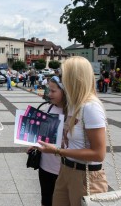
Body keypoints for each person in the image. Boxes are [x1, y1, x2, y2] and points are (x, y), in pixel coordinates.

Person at [38, 56, 108, 206]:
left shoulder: (90, 107)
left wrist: (58, 151)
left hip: (85, 175)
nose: (61, 80)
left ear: (75, 78)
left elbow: (98, 153)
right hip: (66, 170)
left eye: (64, 76)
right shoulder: (74, 105)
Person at [29, 75, 67, 206]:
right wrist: (34, 144)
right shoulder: (49, 108)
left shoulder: (73, 112)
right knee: (46, 199)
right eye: (48, 90)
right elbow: (43, 133)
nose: (49, 94)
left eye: (53, 91)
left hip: (63, 169)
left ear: (65, 90)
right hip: (45, 166)